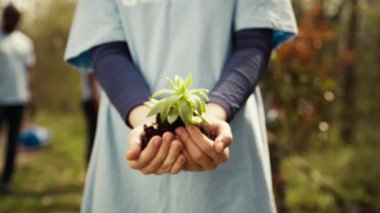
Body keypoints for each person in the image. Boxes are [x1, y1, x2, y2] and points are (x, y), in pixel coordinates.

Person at [65, 1, 297, 212]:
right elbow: (106, 49)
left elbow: (254, 40)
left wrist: (213, 115)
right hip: (130, 126)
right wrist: (146, 121)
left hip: (228, 131)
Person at [0, 3, 35, 195]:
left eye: (16, 18)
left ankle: (6, 181)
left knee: (13, 142)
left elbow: (29, 71)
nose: (12, 21)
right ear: (4, 17)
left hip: (18, 99)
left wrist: (32, 96)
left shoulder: (25, 42)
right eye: (9, 16)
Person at [80, 72, 99, 165]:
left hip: (90, 100)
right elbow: (91, 77)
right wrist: (97, 99)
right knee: (94, 135)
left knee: (93, 135)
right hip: (92, 101)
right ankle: (91, 165)